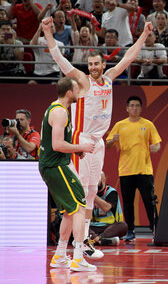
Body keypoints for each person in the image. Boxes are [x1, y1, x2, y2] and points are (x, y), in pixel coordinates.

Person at [42, 16, 153, 257]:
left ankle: (85, 241)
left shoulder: (110, 78)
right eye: (90, 64)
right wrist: (48, 33)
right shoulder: (82, 81)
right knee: (80, 196)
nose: (92, 67)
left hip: (98, 142)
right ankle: (76, 247)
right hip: (82, 141)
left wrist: (144, 35)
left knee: (92, 192)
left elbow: (129, 57)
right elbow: (60, 60)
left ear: (103, 65)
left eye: (96, 64)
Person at [39, 77, 96, 272]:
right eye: (76, 89)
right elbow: (57, 145)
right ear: (69, 93)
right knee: (80, 206)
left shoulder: (58, 109)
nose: (79, 92)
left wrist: (75, 150)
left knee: (70, 212)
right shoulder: (60, 112)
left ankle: (60, 255)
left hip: (56, 164)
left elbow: (60, 143)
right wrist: (82, 147)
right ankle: (78, 257)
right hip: (55, 166)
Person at [106, 96, 162, 241]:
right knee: (128, 204)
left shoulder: (148, 124)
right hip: (126, 171)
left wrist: (154, 148)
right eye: (131, 106)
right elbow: (108, 144)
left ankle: (156, 229)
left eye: (137, 106)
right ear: (127, 108)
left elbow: (157, 144)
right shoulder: (120, 125)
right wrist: (113, 140)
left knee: (149, 202)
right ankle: (130, 231)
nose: (134, 108)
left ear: (141, 108)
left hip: (145, 170)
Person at [89, 172, 128, 246]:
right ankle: (100, 240)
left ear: (104, 180)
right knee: (75, 225)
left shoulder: (111, 192)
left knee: (123, 226)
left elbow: (106, 207)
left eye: (97, 179)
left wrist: (92, 195)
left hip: (109, 227)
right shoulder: (87, 192)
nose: (94, 182)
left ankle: (94, 239)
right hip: (93, 226)